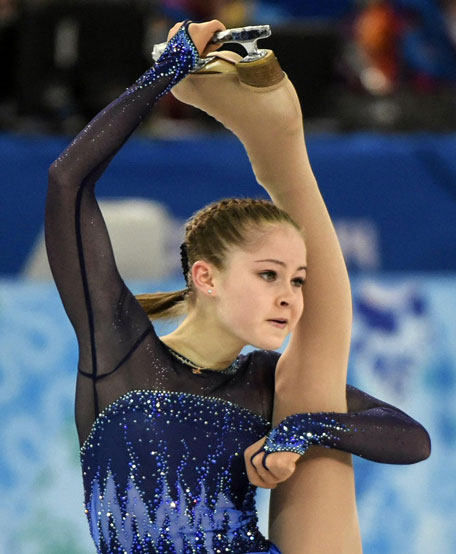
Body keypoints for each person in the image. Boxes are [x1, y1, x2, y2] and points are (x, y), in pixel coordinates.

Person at [45, 19, 431, 554]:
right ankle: (276, 144)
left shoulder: (264, 381)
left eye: (298, 281)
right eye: (269, 274)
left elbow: (412, 439)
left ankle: (277, 144)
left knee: (315, 374)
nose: (289, 297)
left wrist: (304, 430)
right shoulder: (120, 350)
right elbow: (68, 182)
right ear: (206, 276)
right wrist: (163, 73)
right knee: (314, 368)